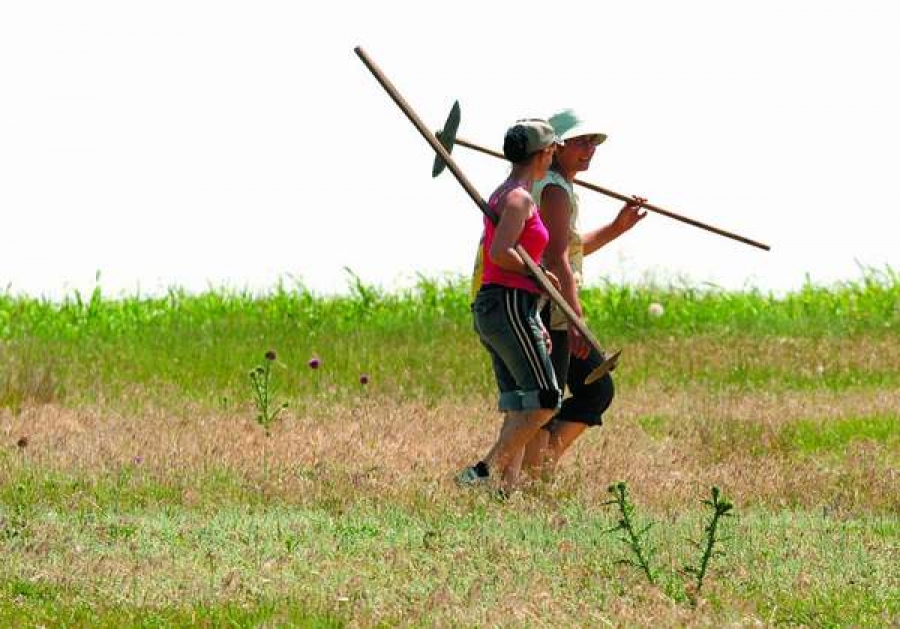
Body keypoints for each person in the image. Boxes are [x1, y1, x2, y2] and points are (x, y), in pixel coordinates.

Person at [521, 109, 647, 477]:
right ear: (556, 147)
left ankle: (537, 472)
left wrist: (617, 227)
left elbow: (568, 249)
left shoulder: (554, 186)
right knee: (562, 395)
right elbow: (557, 258)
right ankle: (533, 476)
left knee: (579, 392)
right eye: (580, 141)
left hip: (552, 302)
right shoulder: (555, 189)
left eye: (592, 142)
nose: (589, 149)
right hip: (552, 305)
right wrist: (574, 317)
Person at [455, 118, 563, 491]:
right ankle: (483, 472)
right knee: (546, 398)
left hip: (512, 307)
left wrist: (535, 312)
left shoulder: (506, 193)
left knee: (521, 401)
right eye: (553, 151)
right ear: (544, 153)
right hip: (508, 302)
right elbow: (499, 253)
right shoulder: (518, 198)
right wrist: (539, 278)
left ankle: (505, 489)